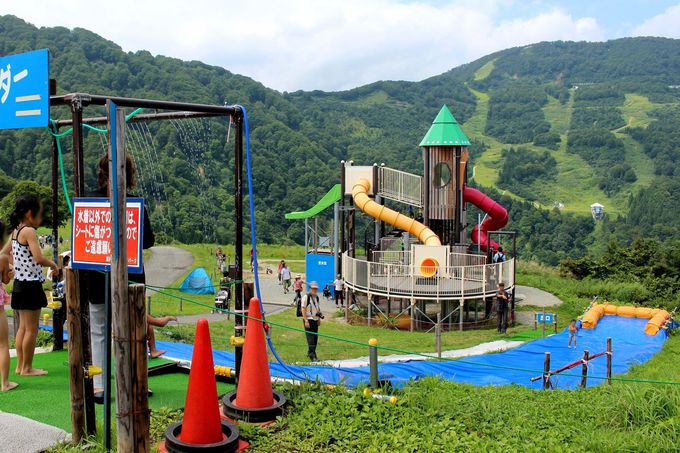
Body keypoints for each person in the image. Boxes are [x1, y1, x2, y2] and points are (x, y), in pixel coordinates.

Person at [85, 154, 155, 402]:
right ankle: (137, 383)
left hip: (96, 276)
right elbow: (147, 241)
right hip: (131, 277)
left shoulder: (89, 201)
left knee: (99, 331)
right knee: (133, 331)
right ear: (129, 174)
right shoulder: (134, 203)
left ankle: (99, 386)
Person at [4, 195, 59, 376]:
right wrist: (52, 264)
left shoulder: (16, 231)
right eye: (39, 214)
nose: (41, 218)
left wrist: (12, 266)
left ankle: (21, 366)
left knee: (23, 328)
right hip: (30, 285)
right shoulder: (29, 231)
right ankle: (27, 367)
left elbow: (5, 252)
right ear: (29, 214)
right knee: (32, 329)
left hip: (20, 284)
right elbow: (38, 257)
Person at [0, 221, 17, 391]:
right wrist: (10, 274)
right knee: (3, 345)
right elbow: (5, 279)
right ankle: (4, 383)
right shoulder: (2, 258)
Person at [301, 281, 323, 362]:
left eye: (316, 289)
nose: (314, 290)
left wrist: (319, 319)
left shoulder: (316, 297)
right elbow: (303, 308)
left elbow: (318, 308)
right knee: (311, 339)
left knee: (315, 338)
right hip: (309, 320)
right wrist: (305, 320)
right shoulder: (306, 297)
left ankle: (310, 352)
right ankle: (313, 356)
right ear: (310, 288)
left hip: (315, 319)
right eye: (313, 288)